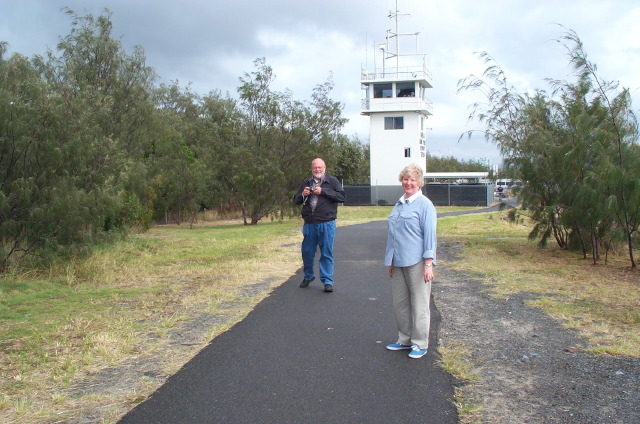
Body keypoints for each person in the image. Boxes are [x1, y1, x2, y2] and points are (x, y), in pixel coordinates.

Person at [384, 163, 437, 359]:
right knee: (400, 304)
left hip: (417, 262)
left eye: (412, 179)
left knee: (420, 304)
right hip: (398, 262)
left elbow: (429, 235)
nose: (408, 183)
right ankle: (404, 339)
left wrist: (428, 263)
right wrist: (390, 260)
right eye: (405, 179)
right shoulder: (399, 204)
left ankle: (420, 342)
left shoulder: (425, 205)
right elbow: (392, 235)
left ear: (419, 182)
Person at [293, 158, 346, 293]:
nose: (317, 170)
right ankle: (308, 276)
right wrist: (302, 194)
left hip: (326, 223)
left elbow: (341, 197)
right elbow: (296, 200)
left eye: (320, 167)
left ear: (324, 168)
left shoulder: (332, 181)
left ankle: (327, 281)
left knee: (326, 253)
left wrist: (323, 191)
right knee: (307, 252)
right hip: (310, 224)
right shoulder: (306, 182)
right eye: (315, 168)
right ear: (312, 169)